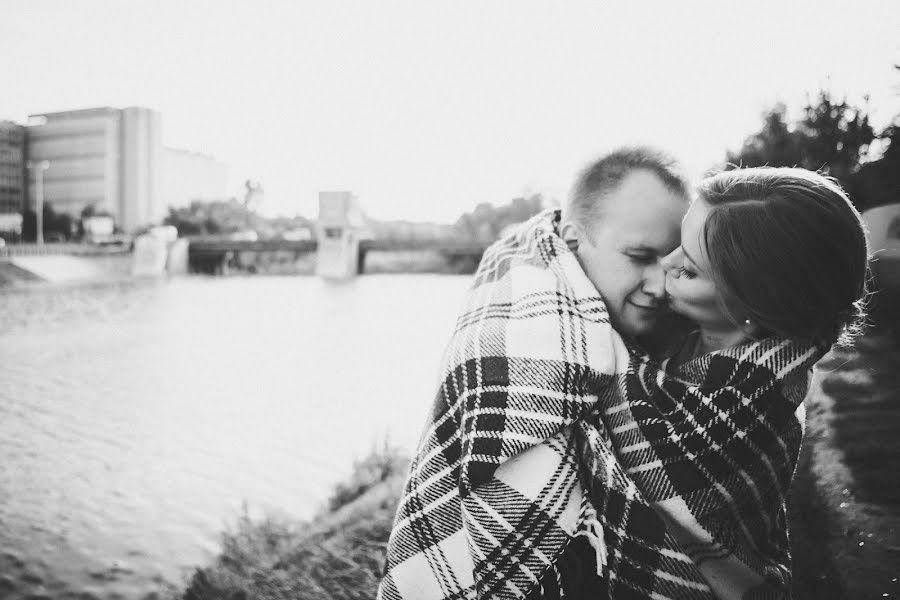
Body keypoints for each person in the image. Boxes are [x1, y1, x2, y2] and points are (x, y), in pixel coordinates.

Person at [377, 147, 692, 600]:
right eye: (640, 256)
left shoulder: (660, 341)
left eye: (673, 264)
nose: (661, 285)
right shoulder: (520, 341)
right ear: (572, 238)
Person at [561, 167, 870, 600]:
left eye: (686, 269)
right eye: (675, 247)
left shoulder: (749, 399)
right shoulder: (676, 330)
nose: (663, 268)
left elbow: (656, 461)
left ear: (750, 307)